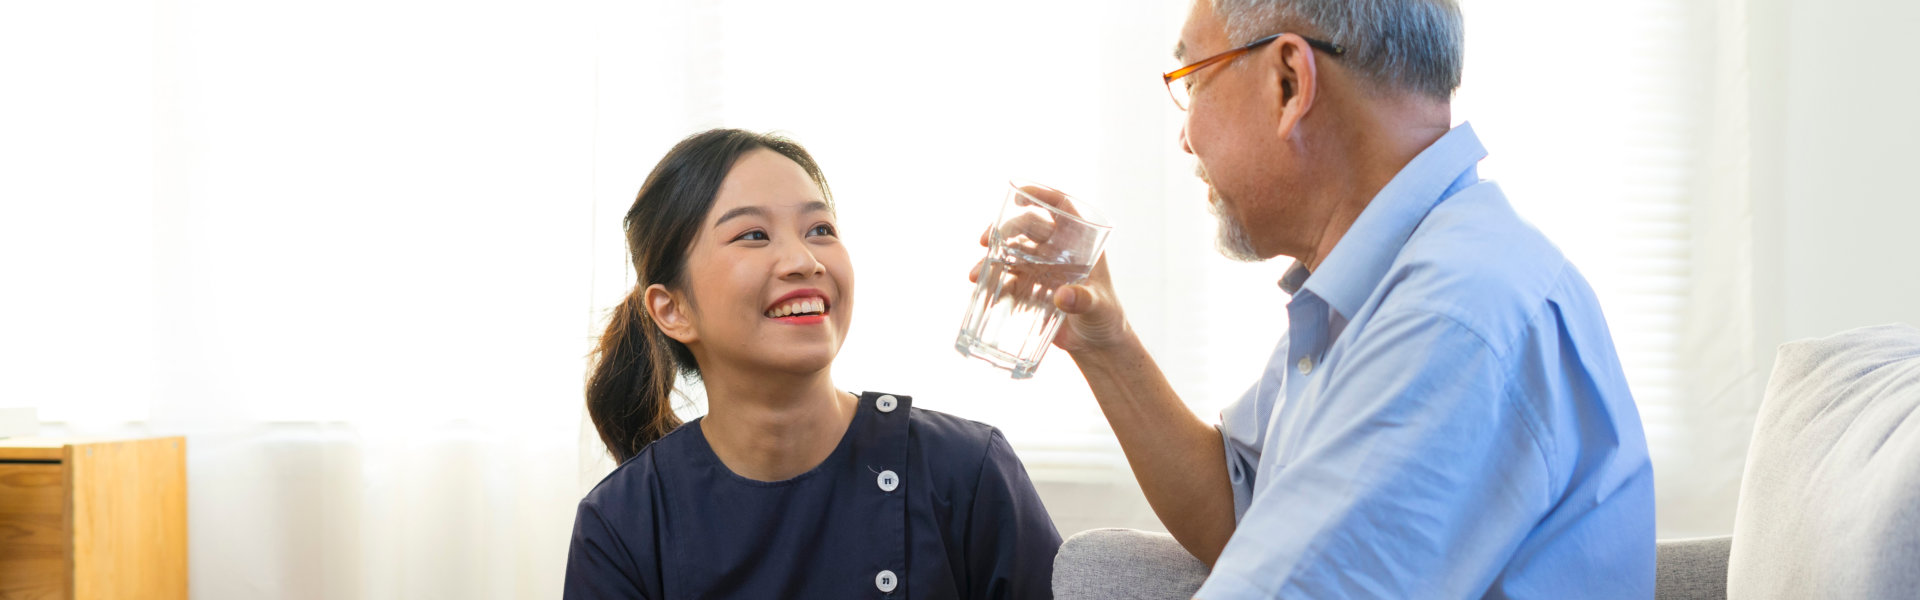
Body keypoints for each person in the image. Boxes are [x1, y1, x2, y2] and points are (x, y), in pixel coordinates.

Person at [987, 0, 1656, 597]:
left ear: (1288, 82)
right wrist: (1108, 346)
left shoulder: (1454, 318)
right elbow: (1243, 510)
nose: (1185, 136)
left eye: (1192, 80)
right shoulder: (1389, 281)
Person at [567, 129, 1060, 599]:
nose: (805, 260)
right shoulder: (619, 524)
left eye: (820, 229)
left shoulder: (967, 471)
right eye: (754, 234)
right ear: (672, 309)